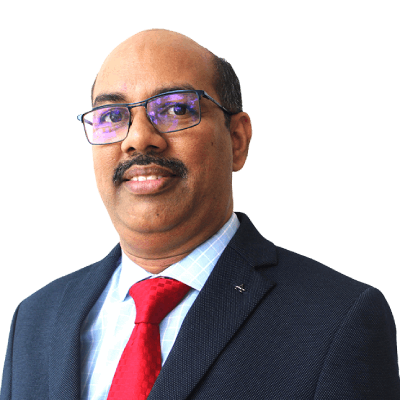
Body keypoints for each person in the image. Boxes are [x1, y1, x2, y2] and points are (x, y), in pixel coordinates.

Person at [1, 28, 399, 400]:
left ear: (237, 140)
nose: (138, 139)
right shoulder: (34, 319)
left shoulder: (337, 319)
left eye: (175, 108)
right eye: (112, 116)